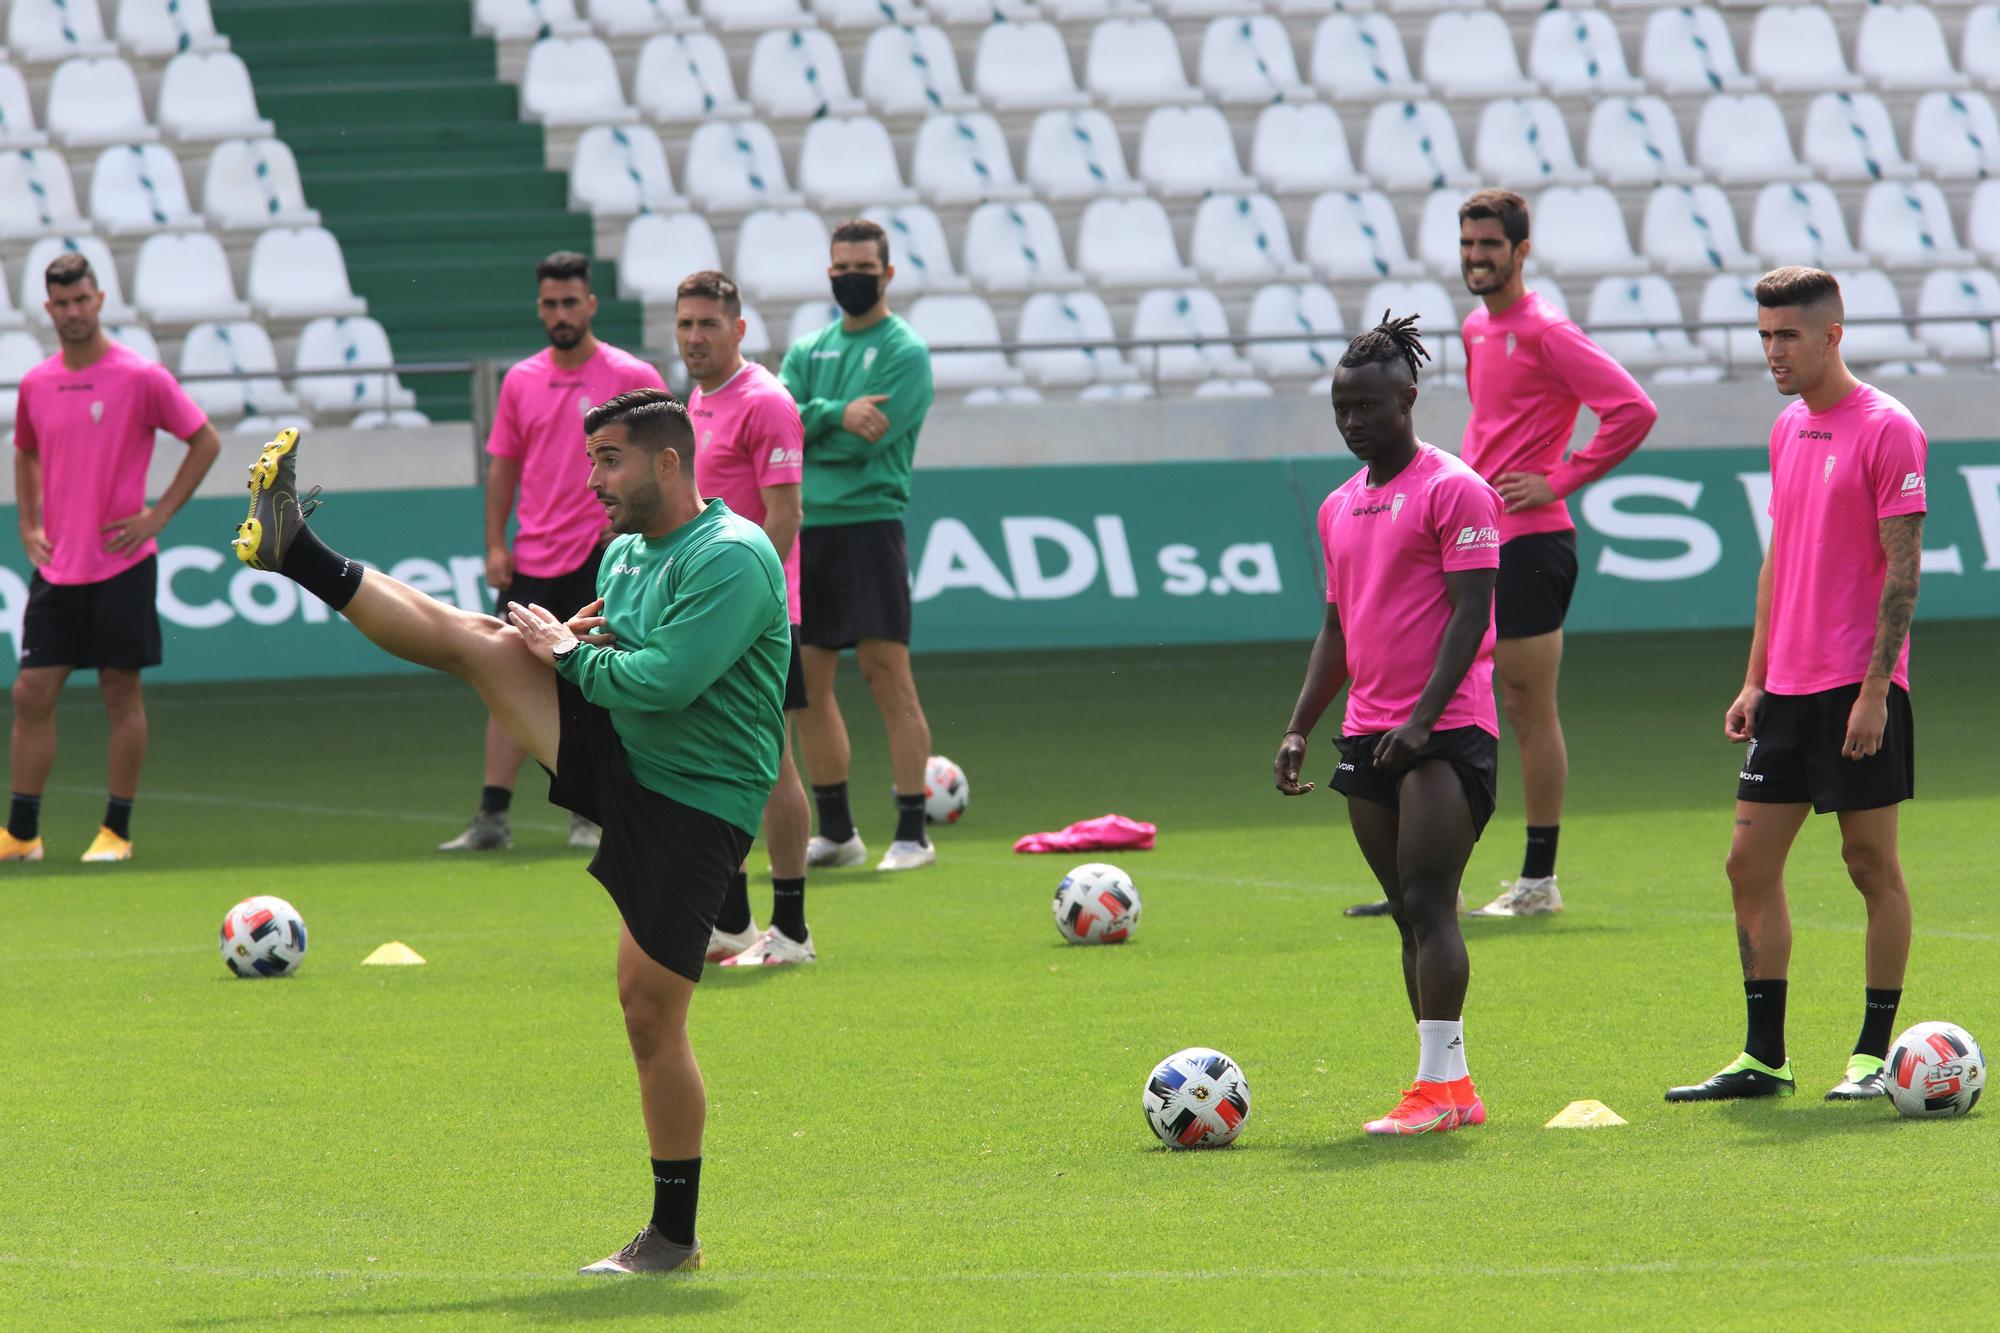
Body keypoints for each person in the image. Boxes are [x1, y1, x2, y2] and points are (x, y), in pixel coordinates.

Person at [234, 392, 787, 1272]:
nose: (592, 478)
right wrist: (566, 639)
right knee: (485, 642)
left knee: (650, 1014)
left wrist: (570, 655)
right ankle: (297, 549)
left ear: (669, 462)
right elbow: (623, 654)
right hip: (629, 753)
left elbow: (670, 680)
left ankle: (674, 1238)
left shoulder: (734, 555)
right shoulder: (630, 553)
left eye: (610, 459)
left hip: (698, 797)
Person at [1346, 190, 1657, 919]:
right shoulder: (1479, 326)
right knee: (1450, 696)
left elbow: (1633, 409)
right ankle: (1427, 879)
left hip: (1533, 540)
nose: (1476, 258)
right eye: (1467, 246)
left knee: (1522, 706)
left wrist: (1561, 476)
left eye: (1489, 246)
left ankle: (1538, 880)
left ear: (1521, 252)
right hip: (1473, 534)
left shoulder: (1548, 330)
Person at [1666, 268, 1924, 1104]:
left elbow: (1903, 571)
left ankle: (1871, 1053)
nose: (1773, 351)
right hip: (1786, 691)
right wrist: (1754, 680)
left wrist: (1877, 690)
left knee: (1868, 863)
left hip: (1859, 686)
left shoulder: (1889, 430)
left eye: (1788, 336)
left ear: (1832, 335)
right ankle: (1764, 1056)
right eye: (1765, 335)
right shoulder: (1787, 428)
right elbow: (1777, 562)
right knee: (1748, 862)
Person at [1274, 315, 1502, 1135]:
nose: (1353, 422)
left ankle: (1436, 1090)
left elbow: (1473, 613)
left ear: (1408, 397)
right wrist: (1302, 723)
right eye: (1342, 409)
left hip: (1447, 733)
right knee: (1405, 909)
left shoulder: (1454, 488)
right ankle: (1452, 1084)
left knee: (1432, 899)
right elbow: (1338, 628)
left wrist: (1424, 717)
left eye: (1367, 406)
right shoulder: (1339, 507)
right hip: (1370, 733)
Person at [440, 251, 666, 854]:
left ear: (591, 304)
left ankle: (596, 810)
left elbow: (664, 458)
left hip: (601, 560)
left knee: (597, 684)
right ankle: (492, 816)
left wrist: (629, 531)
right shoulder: (521, 380)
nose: (561, 313)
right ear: (539, 307)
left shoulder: (630, 374)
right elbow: (503, 468)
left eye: (571, 302)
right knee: (506, 677)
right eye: (550, 303)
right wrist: (494, 542)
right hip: (532, 557)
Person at [2, 253, 221, 864]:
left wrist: (159, 515)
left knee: (120, 694)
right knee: (29, 693)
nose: (73, 312)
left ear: (99, 300)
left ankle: (115, 832)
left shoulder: (140, 376)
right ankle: (22, 834)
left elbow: (204, 440)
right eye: (62, 304)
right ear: (48, 310)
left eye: (82, 301)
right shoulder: (38, 383)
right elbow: (24, 451)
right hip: (57, 567)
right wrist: (27, 521)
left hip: (123, 562)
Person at [779, 218, 940, 873]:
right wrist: (835, 414)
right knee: (810, 686)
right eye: (840, 266)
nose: (851, 277)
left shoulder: (906, 351)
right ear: (828, 272)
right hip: (806, 531)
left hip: (871, 526)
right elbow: (780, 422)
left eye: (863, 267)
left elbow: (864, 440)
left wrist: (820, 426)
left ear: (888, 273)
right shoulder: (808, 348)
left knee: (886, 676)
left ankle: (912, 832)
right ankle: (839, 832)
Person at [676, 270, 816, 968]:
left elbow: (785, 512)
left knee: (774, 763)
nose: (695, 336)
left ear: (738, 328)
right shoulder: (696, 401)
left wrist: (748, 602)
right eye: (685, 324)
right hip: (708, 615)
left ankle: (791, 930)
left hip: (758, 618)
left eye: (707, 323)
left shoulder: (765, 401)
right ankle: (732, 923)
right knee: (714, 762)